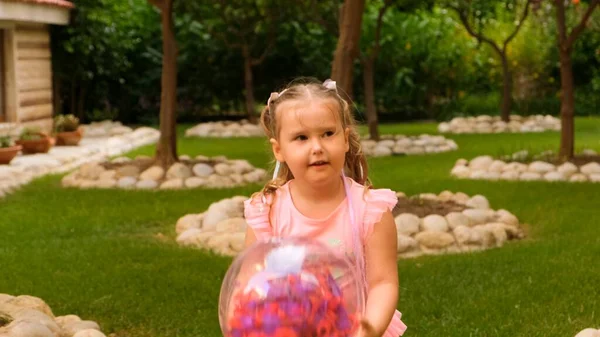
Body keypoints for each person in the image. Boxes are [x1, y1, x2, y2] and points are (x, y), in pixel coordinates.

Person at [243, 78, 406, 337]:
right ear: (279, 150)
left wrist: (366, 333)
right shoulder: (269, 212)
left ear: (345, 139)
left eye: (328, 134)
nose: (317, 148)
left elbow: (383, 283)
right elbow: (249, 283)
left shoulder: (370, 211)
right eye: (301, 138)